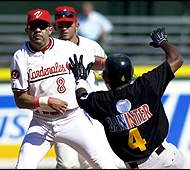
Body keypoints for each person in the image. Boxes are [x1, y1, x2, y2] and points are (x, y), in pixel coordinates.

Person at [68, 27, 190, 169]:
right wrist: (163, 42)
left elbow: (82, 97)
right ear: (131, 74)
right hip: (167, 156)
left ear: (106, 78)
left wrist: (79, 79)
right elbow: (176, 59)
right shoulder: (146, 85)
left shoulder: (102, 101)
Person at [9, 8, 117, 169]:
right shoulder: (20, 56)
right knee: (24, 166)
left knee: (104, 164)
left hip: (72, 118)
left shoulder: (66, 48)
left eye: (42, 25)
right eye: (33, 26)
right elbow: (20, 100)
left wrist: (119, 66)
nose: (37, 30)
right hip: (41, 121)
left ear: (50, 29)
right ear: (27, 30)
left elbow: (96, 62)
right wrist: (47, 101)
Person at [52, 6, 125, 169]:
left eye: (68, 24)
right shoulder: (50, 50)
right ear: (55, 26)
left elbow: (108, 76)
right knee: (66, 164)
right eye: (61, 24)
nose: (64, 28)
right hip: (64, 113)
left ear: (77, 25)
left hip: (90, 111)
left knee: (92, 162)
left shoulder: (91, 46)